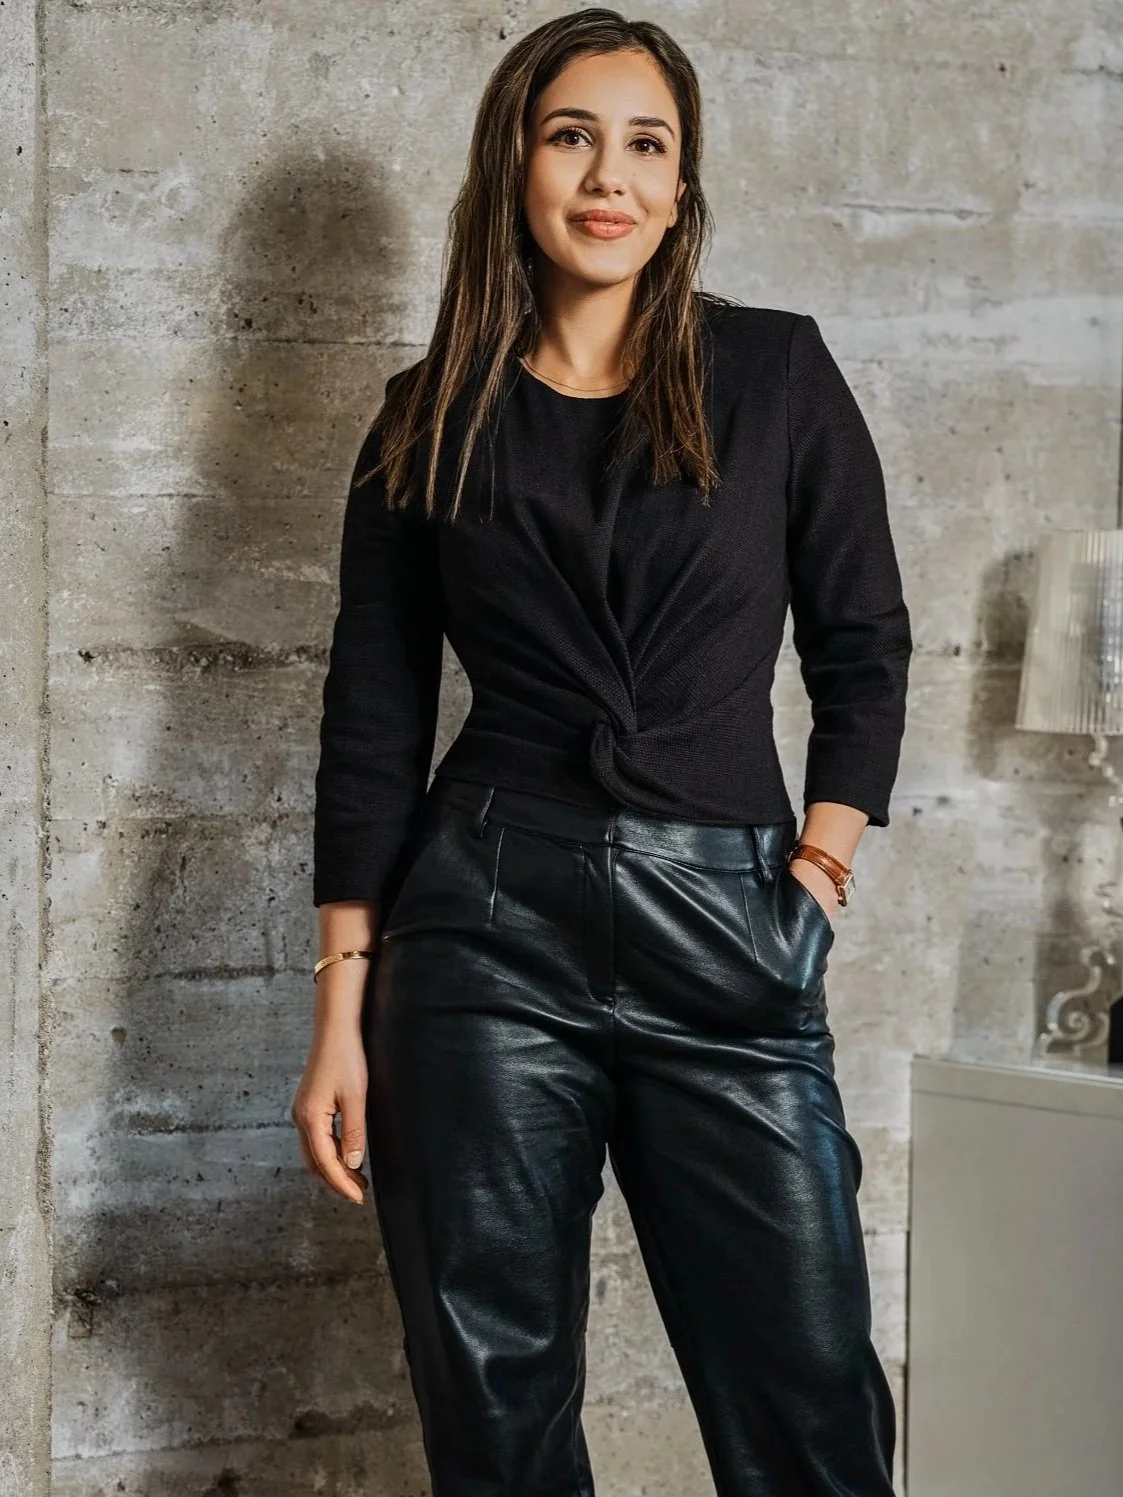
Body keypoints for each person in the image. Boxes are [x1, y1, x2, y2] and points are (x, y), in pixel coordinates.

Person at [292, 8, 911, 1495]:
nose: (606, 177)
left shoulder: (770, 376)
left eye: (646, 145)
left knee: (810, 1410)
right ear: (516, 162)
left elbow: (863, 647)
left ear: (682, 188)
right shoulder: (423, 420)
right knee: (494, 1415)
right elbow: (371, 717)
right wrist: (340, 1002)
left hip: (730, 932)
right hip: (482, 943)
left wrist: (814, 873)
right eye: (572, 135)